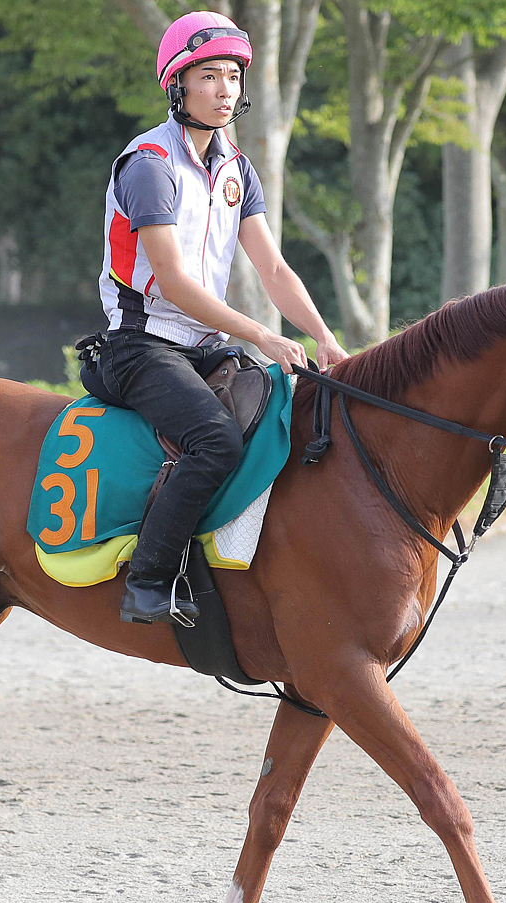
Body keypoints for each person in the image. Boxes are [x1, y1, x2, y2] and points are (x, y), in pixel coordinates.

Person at [96, 10, 348, 626]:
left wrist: (325, 338)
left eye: (233, 77)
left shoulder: (237, 168)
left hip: (205, 347)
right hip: (140, 346)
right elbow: (176, 283)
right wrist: (263, 334)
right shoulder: (150, 164)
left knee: (288, 417)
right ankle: (149, 580)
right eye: (208, 76)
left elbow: (275, 271)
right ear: (177, 85)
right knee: (215, 439)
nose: (224, 91)